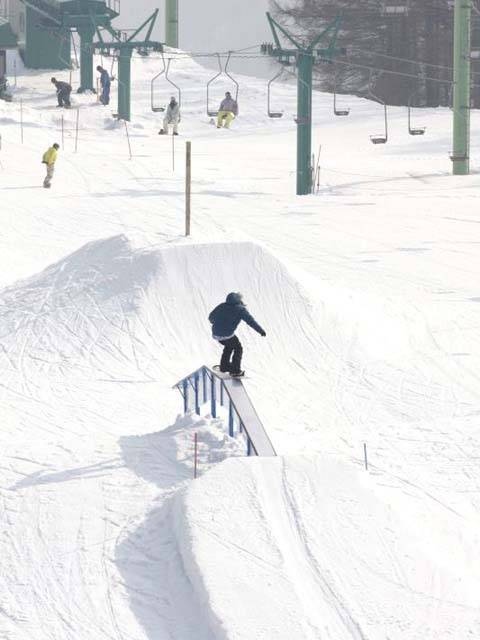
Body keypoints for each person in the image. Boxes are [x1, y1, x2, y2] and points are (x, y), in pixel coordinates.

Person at [208, 292, 266, 377]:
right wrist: (261, 331)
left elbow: (210, 318)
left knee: (229, 346)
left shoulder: (221, 306)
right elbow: (251, 321)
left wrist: (218, 323)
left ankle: (224, 366)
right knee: (238, 348)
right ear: (239, 300)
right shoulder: (241, 310)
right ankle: (235, 370)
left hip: (216, 334)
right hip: (227, 334)